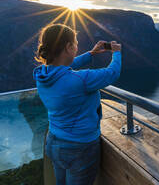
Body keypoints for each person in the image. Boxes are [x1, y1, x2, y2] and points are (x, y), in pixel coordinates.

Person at [33, 23, 121, 185]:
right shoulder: (80, 80)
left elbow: (64, 67)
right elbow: (112, 73)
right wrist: (116, 53)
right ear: (68, 47)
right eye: (75, 44)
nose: (76, 46)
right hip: (80, 147)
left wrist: (91, 54)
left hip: (54, 140)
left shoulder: (42, 74)